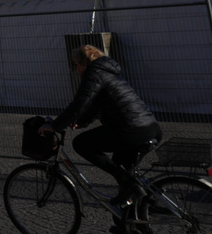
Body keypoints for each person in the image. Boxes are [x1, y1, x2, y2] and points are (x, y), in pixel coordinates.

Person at [41, 45, 162, 211]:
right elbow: (96, 105)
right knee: (121, 165)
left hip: (131, 129)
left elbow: (80, 103)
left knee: (81, 144)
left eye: (76, 64)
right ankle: (131, 220)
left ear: (84, 63)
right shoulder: (108, 72)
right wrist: (82, 121)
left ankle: (131, 185)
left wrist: (54, 126)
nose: (76, 69)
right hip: (149, 127)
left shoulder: (93, 73)